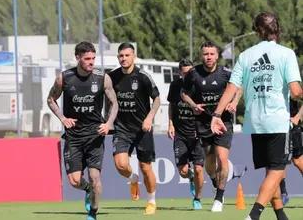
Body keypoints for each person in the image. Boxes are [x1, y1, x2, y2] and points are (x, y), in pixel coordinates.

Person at [210, 12, 302, 220]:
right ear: (277, 29)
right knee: (277, 172)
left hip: (255, 124)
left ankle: (281, 216)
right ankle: (254, 215)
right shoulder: (286, 54)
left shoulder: (245, 55)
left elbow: (231, 89)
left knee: (271, 171)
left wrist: (216, 114)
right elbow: (296, 92)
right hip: (277, 122)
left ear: (257, 31)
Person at [47, 41, 118, 220]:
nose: (91, 62)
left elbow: (114, 103)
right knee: (74, 181)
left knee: (95, 178)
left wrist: (109, 123)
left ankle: (93, 213)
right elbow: (50, 99)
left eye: (93, 58)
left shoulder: (103, 78)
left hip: (95, 135)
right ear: (78, 57)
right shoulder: (64, 78)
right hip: (74, 137)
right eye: (87, 59)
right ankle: (87, 190)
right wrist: (63, 118)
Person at [181, 41, 242, 212]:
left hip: (224, 121)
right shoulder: (193, 74)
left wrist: (234, 102)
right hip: (203, 123)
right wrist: (193, 105)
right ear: (202, 55)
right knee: (209, 163)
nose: (208, 57)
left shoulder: (225, 74)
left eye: (211, 54)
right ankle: (216, 181)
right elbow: (184, 93)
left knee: (222, 159)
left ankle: (219, 197)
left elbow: (239, 87)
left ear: (217, 56)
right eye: (205, 54)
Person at [109, 42, 160, 215]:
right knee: (120, 164)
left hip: (142, 129)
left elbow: (157, 100)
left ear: (134, 57)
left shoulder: (143, 76)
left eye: (127, 55)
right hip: (121, 128)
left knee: (146, 167)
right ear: (118, 58)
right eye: (121, 56)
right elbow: (107, 101)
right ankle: (133, 179)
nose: (124, 59)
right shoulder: (111, 77)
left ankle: (152, 201)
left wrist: (149, 118)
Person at [167, 58, 205, 210]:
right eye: (184, 73)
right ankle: (190, 179)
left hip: (197, 134)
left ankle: (197, 199)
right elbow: (171, 104)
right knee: (183, 172)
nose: (188, 76)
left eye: (190, 72)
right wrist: (170, 123)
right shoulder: (175, 85)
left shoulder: (199, 85)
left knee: (198, 169)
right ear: (179, 73)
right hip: (180, 134)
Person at [280, 100, 303, 205]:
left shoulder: (294, 85)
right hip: (275, 127)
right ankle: (283, 193)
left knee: (298, 161)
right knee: (279, 161)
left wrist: (298, 116)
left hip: (292, 125)